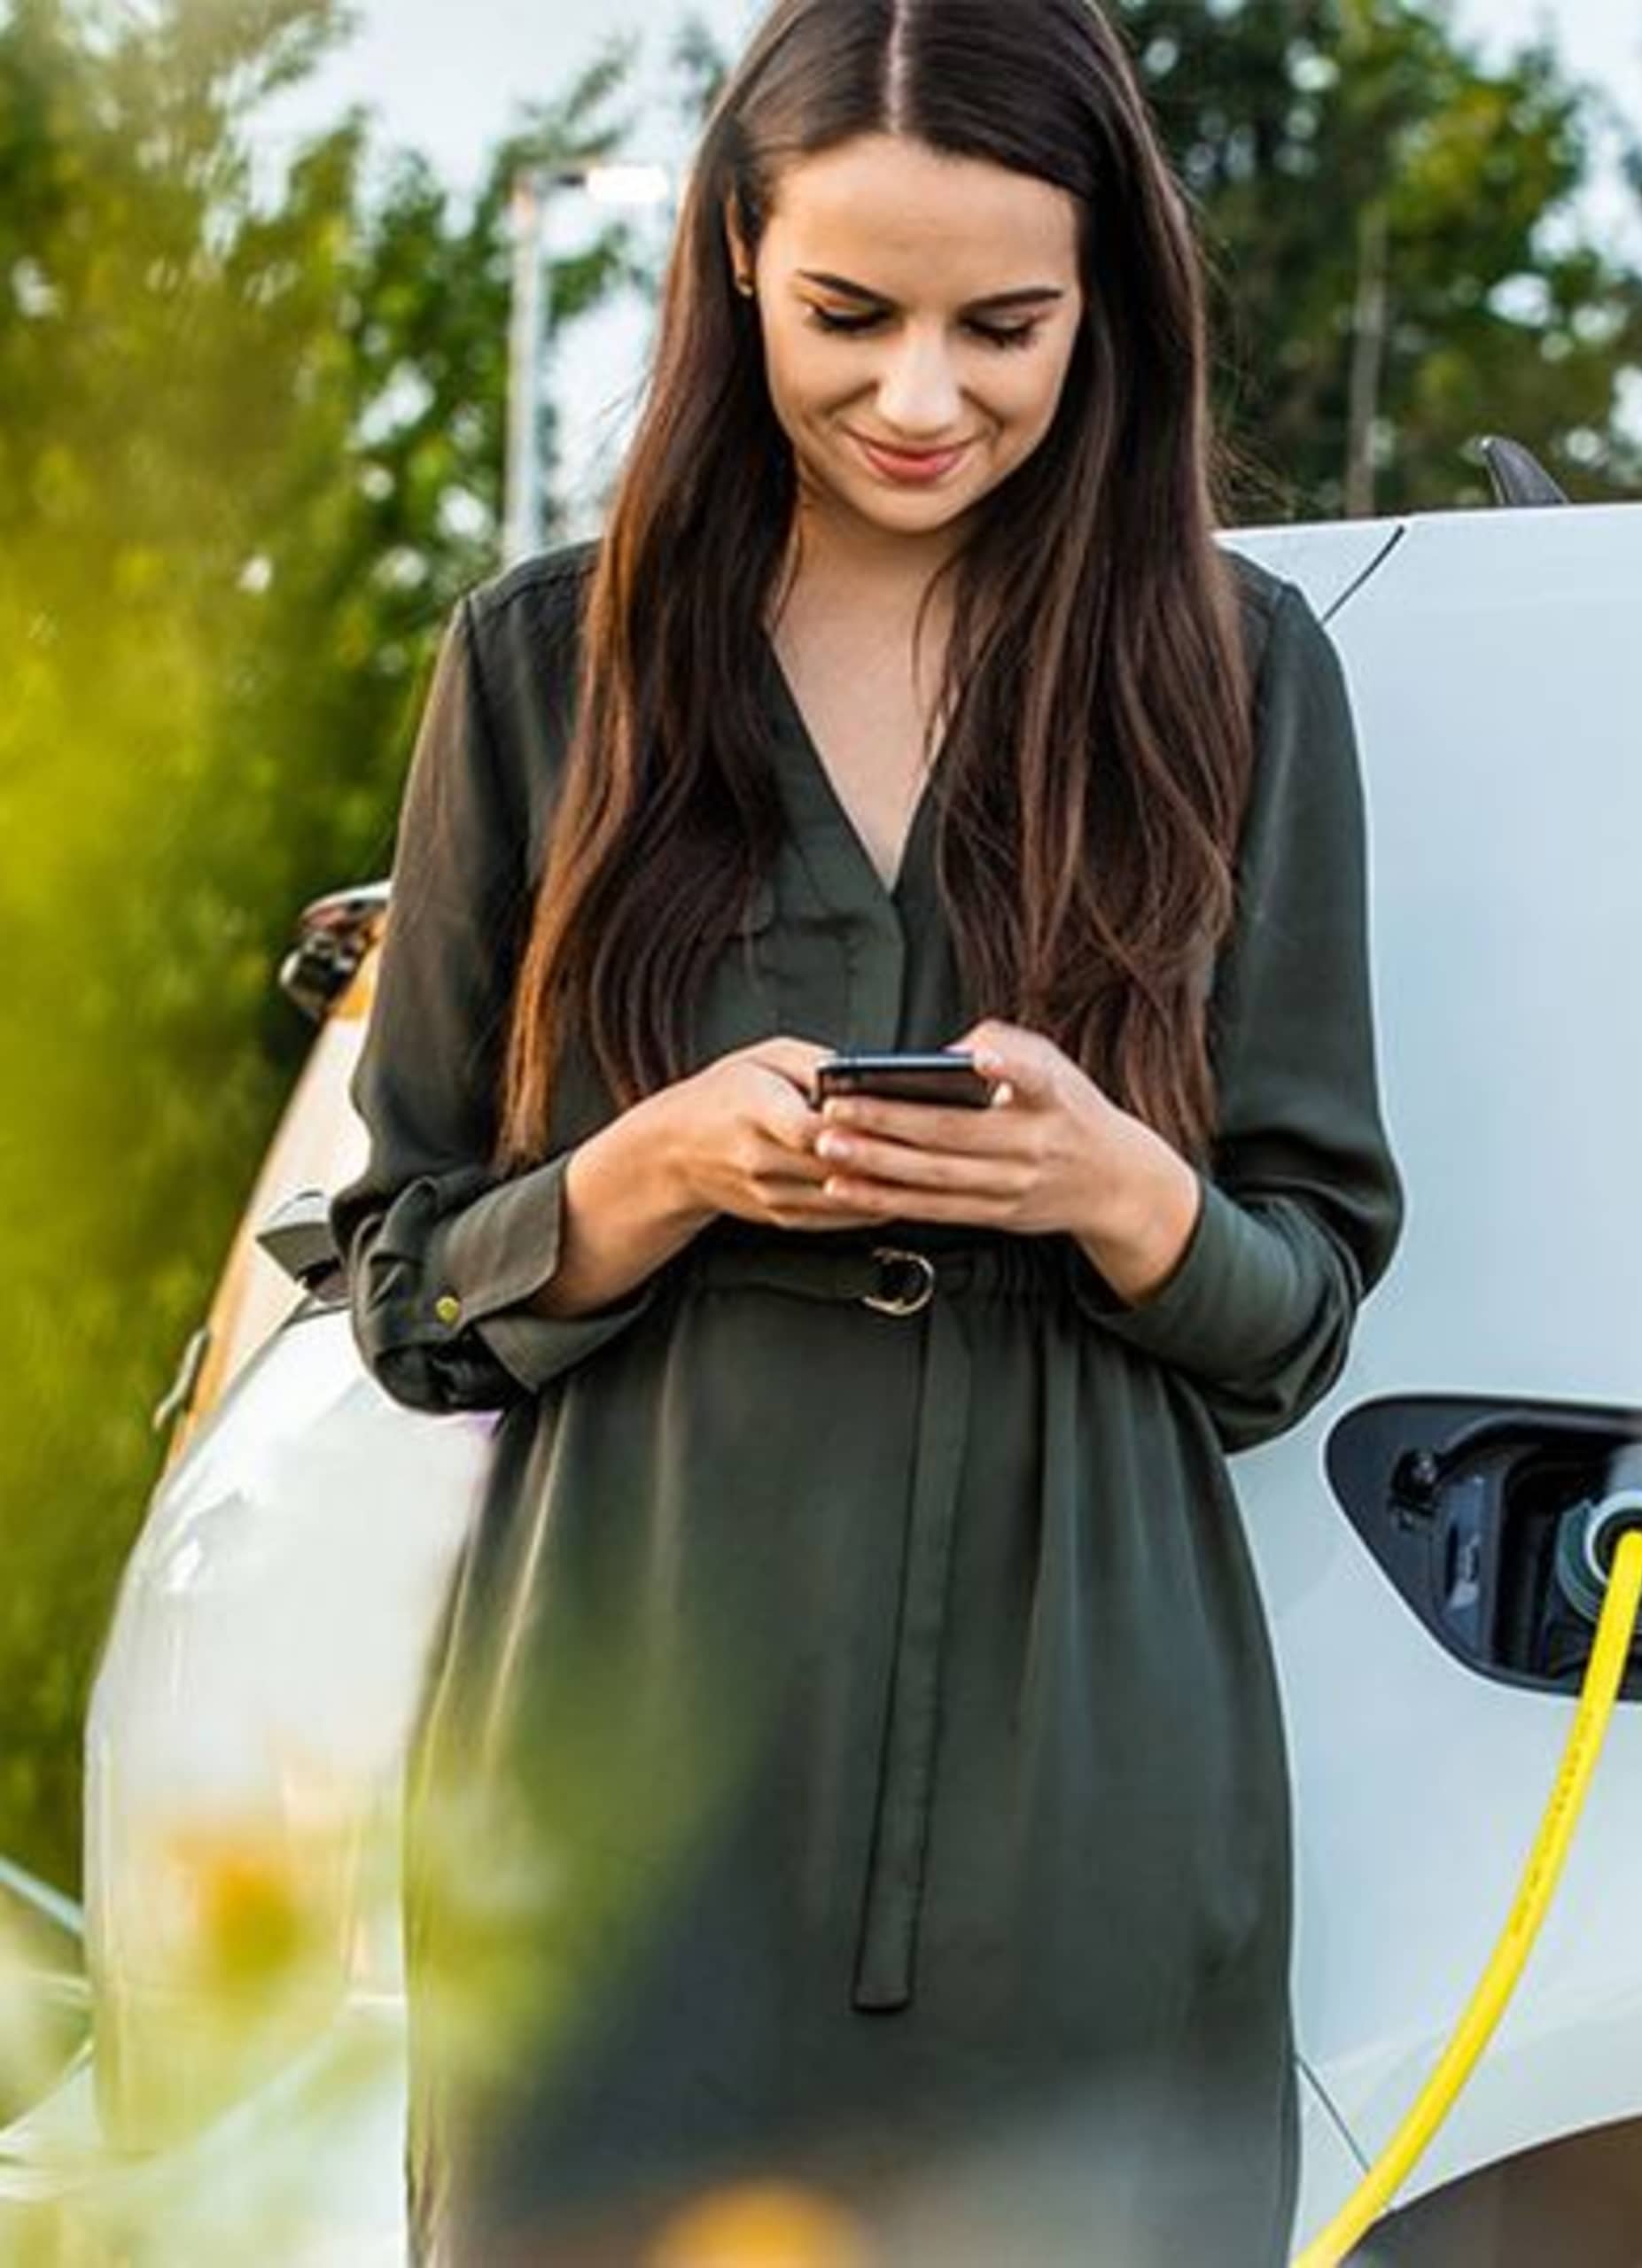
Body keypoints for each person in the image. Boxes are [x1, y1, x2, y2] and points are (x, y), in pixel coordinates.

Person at [329, 0, 1405, 2260]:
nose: (925, 397)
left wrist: (1115, 1190)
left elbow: (1298, 1305)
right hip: (628, 1739)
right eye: (852, 313)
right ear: (735, 257)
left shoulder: (1240, 667)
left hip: (1082, 1761)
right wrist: (645, 1172)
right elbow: (404, 1276)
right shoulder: (549, 664)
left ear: (1105, 299)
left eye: (1003, 324)